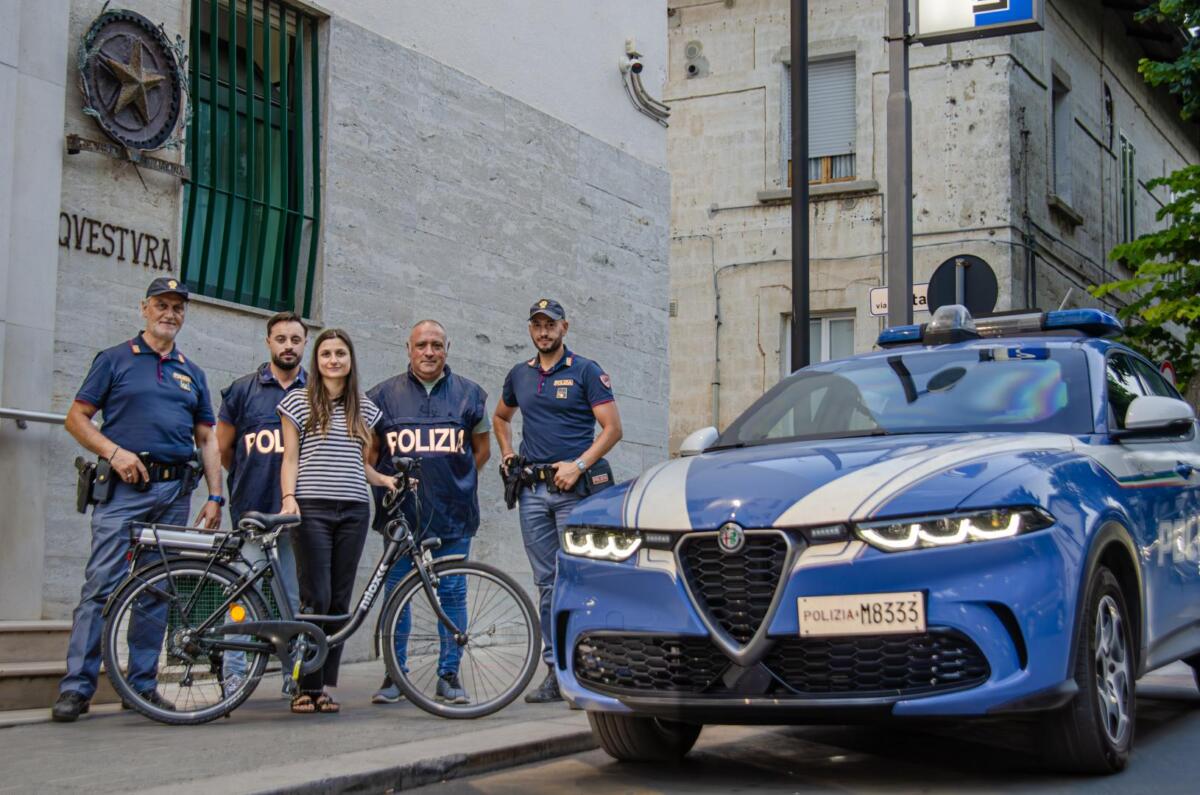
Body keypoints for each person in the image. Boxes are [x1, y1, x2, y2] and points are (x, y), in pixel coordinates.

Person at [53, 278, 224, 722]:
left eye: (178, 308)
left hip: (174, 494)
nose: (170, 313)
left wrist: (216, 495)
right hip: (125, 491)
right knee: (101, 588)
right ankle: (77, 688)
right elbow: (77, 418)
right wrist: (113, 451)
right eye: (162, 305)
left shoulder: (192, 372)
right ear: (144, 308)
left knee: (156, 591)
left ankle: (140, 688)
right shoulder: (114, 360)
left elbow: (206, 438)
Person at [493, 299, 622, 703]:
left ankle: (590, 667)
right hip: (533, 493)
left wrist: (579, 465)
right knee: (547, 582)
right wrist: (507, 452)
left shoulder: (585, 370)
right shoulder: (519, 375)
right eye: (537, 325)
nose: (544, 331)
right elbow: (500, 418)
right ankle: (555, 671)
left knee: (580, 577)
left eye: (551, 324)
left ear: (564, 327)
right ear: (530, 330)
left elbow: (613, 429)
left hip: (574, 492)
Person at [366, 320, 491, 705]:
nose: (429, 352)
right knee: (396, 597)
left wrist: (454, 481)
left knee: (452, 594)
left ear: (447, 348)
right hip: (402, 518)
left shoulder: (471, 395)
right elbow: (369, 455)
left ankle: (448, 675)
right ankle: (395, 675)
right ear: (408, 348)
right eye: (422, 345)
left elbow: (481, 450)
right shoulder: (382, 396)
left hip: (453, 516)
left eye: (436, 344)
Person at [278, 328, 392, 714]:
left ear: (350, 359)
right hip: (311, 507)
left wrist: (384, 480)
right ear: (317, 359)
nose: (333, 360)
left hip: (355, 509)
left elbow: (361, 465)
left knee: (341, 600)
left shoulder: (366, 407)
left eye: (340, 353)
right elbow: (290, 458)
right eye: (326, 353)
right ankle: (303, 683)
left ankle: (325, 685)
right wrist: (289, 498)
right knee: (317, 597)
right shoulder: (297, 402)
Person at [216, 311, 308, 693]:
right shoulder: (242, 390)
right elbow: (224, 449)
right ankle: (233, 673)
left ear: (305, 344)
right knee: (242, 593)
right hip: (253, 513)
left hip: (297, 517)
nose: (288, 346)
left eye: (296, 339)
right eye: (281, 338)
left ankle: (294, 675)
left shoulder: (315, 392)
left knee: (291, 599)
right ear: (268, 342)